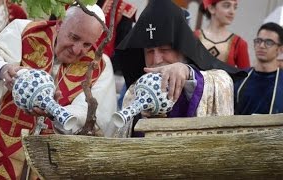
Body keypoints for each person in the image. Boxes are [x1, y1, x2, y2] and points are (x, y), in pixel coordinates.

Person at [0, 4, 117, 179]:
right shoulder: (26, 31)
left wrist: (55, 112)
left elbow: (95, 115)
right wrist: (3, 70)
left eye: (87, 44)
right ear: (59, 24)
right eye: (73, 37)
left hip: (53, 161)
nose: (76, 49)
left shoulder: (99, 66)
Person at [114, 0, 246, 137]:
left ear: (183, 50)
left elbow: (223, 81)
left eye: (165, 49)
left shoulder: (208, 78)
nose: (157, 60)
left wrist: (188, 72)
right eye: (150, 52)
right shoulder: (134, 91)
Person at [234, 22, 283, 115]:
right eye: (258, 41)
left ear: (280, 49)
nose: (261, 46)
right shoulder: (240, 77)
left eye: (269, 42)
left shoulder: (281, 81)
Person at [194, 0, 250, 69]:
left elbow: (246, 76)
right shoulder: (193, 36)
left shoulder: (240, 43)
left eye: (235, 7)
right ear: (212, 8)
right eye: (226, 6)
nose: (232, 12)